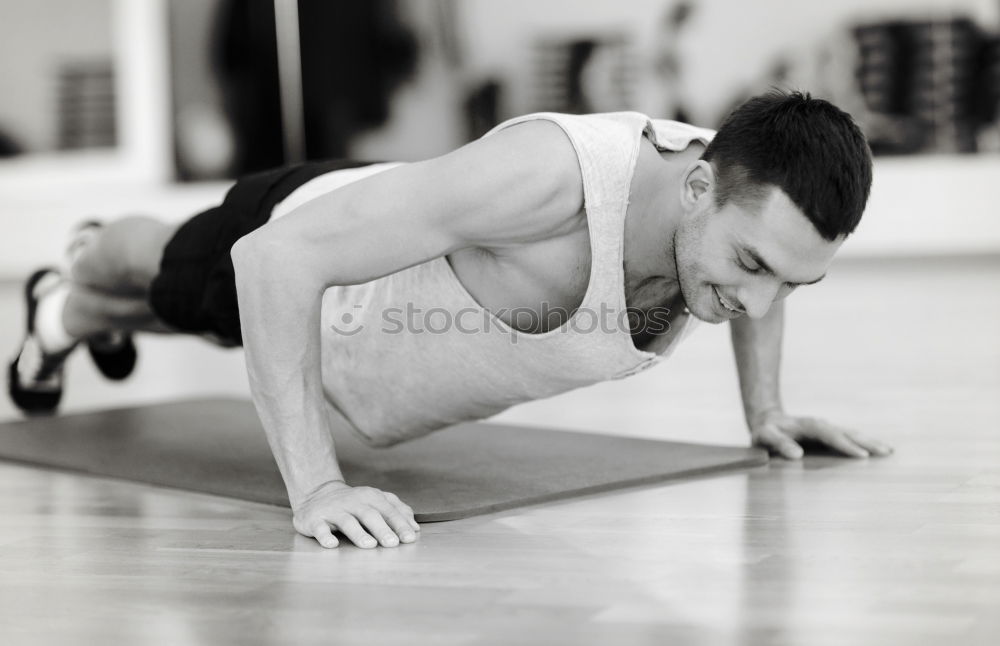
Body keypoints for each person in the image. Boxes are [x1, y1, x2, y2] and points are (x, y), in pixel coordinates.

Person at [8, 90, 895, 550]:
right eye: (750, 266)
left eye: (792, 284)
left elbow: (761, 274)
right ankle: (76, 283)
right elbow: (273, 263)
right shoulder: (551, 180)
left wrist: (766, 411)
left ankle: (79, 311)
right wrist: (317, 489)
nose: (759, 301)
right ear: (697, 186)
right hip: (303, 253)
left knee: (191, 320)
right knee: (167, 278)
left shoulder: (734, 206)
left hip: (364, 359)